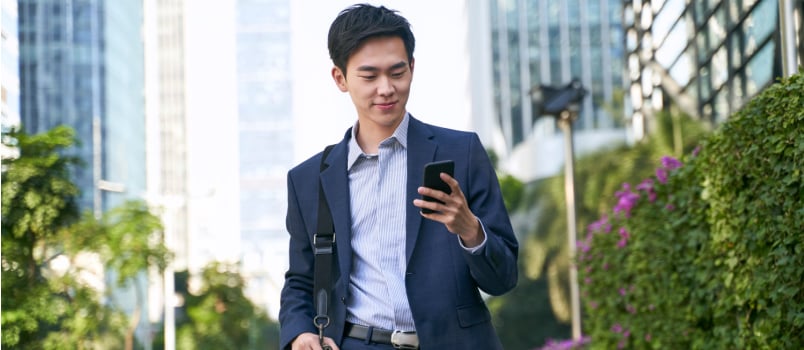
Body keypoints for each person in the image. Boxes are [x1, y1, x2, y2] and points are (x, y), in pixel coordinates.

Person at [279, 4, 518, 349]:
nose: (386, 88)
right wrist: (300, 332)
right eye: (369, 76)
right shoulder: (308, 180)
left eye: (397, 72)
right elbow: (301, 281)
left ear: (412, 68)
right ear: (340, 79)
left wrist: (470, 229)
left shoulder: (462, 153)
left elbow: (503, 278)